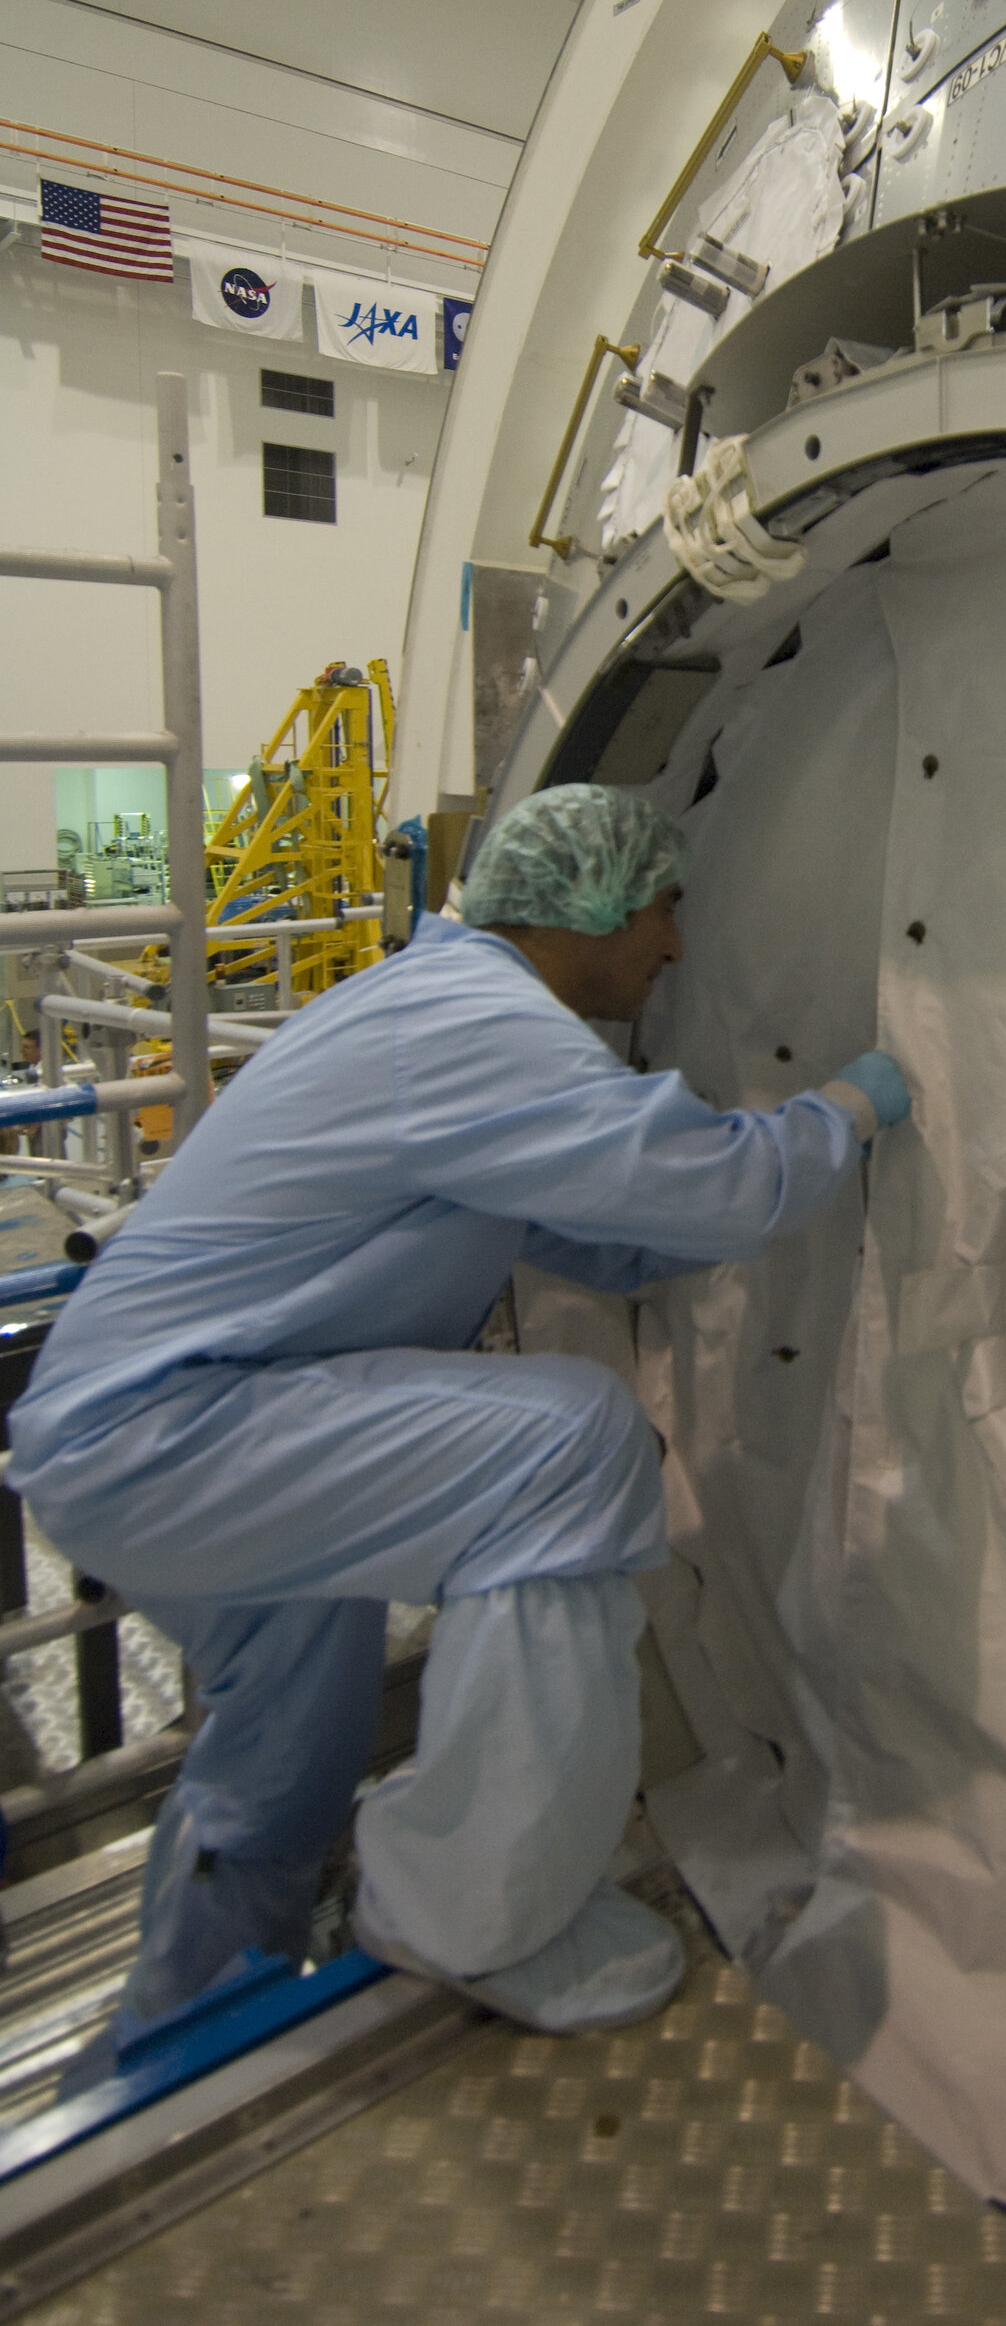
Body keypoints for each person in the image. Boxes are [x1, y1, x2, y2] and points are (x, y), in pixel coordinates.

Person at [10, 783, 909, 2048]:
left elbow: (572, 1230)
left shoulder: (428, 1006)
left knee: (289, 1753)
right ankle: (473, 1915)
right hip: (178, 1432)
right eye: (663, 907)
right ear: (587, 906)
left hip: (134, 1433)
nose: (676, 945)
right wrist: (856, 1110)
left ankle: (177, 2024)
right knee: (568, 1445)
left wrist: (670, 1244)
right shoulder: (478, 1022)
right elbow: (715, 1184)